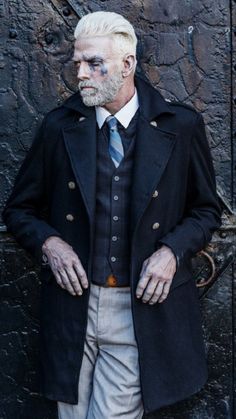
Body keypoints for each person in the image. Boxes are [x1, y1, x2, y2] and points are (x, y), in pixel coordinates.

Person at [2, 10, 221, 419]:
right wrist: (49, 243)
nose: (81, 74)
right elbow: (19, 210)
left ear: (127, 65)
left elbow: (206, 210)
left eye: (94, 64)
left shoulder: (181, 126)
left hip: (139, 311)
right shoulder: (58, 127)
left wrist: (172, 251)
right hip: (71, 308)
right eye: (78, 64)